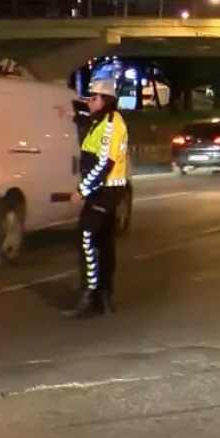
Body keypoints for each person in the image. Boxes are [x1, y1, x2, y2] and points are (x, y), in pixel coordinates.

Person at [64, 77, 130, 318]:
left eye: (93, 98)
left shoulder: (112, 124)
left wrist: (82, 190)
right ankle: (103, 296)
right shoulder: (100, 121)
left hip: (105, 191)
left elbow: (105, 163)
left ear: (106, 100)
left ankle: (90, 293)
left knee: (87, 237)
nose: (89, 102)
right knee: (103, 242)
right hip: (104, 190)